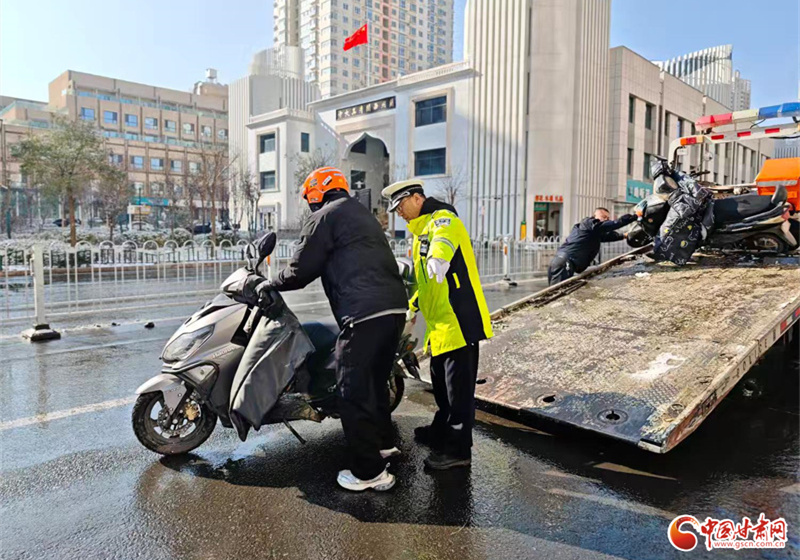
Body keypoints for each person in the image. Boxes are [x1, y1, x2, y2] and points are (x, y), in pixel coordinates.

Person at [250, 167, 408, 492]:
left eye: (309, 197)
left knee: (351, 390)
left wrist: (270, 283)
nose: (309, 203)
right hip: (393, 310)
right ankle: (383, 446)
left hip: (363, 314)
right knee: (375, 384)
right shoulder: (360, 214)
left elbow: (301, 268)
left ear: (316, 193)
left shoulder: (324, 216)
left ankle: (369, 473)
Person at [382, 180, 493, 470]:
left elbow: (444, 239)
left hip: (459, 322)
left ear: (417, 198)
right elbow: (428, 282)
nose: (399, 213)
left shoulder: (443, 219)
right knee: (442, 386)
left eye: (401, 205)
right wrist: (413, 304)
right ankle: (442, 430)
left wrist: (438, 256)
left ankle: (458, 450)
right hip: (441, 325)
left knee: (459, 394)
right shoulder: (420, 232)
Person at [547, 207, 636, 286]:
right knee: (556, 293)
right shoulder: (588, 223)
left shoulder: (594, 232)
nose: (606, 220)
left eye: (608, 218)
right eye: (604, 217)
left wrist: (625, 235)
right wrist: (634, 216)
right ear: (594, 216)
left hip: (566, 262)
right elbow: (612, 224)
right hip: (565, 261)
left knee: (556, 293)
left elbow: (609, 236)